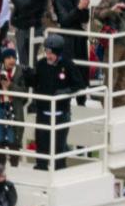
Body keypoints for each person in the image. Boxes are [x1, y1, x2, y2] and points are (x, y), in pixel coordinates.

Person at [28, 34, 84, 170]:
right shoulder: (41, 64)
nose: (48, 55)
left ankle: (59, 168)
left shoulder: (68, 65)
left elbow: (79, 84)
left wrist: (65, 91)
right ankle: (41, 167)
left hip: (60, 113)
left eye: (51, 53)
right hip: (43, 112)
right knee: (41, 142)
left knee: (59, 145)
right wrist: (28, 75)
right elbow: (34, 84)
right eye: (47, 52)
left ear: (58, 53)